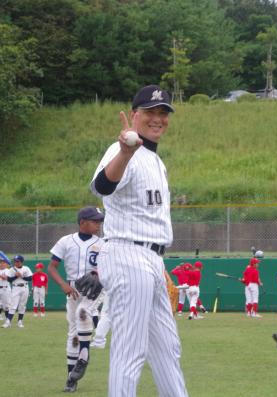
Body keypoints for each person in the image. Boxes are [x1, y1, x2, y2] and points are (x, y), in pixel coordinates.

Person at [90, 85, 188, 396]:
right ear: (135, 116)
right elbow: (102, 186)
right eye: (150, 112)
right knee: (129, 352)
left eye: (163, 112)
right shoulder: (124, 151)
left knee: (167, 349)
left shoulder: (155, 160)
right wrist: (124, 152)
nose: (158, 118)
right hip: (127, 253)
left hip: (152, 259)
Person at [47, 206, 105, 392]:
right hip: (73, 288)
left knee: (83, 313)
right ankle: (71, 378)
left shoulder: (102, 243)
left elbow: (109, 265)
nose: (98, 224)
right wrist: (63, 284)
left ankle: (84, 355)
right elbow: (52, 267)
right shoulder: (66, 241)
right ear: (82, 222)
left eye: (99, 221)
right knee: (73, 336)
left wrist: (98, 272)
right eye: (94, 221)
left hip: (95, 287)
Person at [2, 255, 33, 329]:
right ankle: (8, 322)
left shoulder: (26, 268)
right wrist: (16, 276)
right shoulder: (12, 269)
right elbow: (9, 280)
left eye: (17, 261)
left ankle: (20, 321)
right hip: (15, 287)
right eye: (15, 261)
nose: (16, 262)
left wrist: (22, 276)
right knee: (13, 305)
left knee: (22, 305)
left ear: (21, 262)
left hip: (25, 287)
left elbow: (30, 278)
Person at [0, 251, 11, 321]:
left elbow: (5, 278)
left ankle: (8, 319)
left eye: (4, 263)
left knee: (6, 305)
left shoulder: (8, 270)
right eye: (1, 263)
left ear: (6, 264)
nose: (2, 264)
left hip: (5, 289)